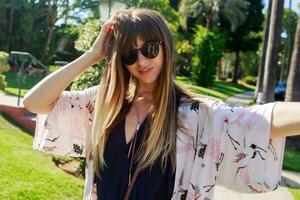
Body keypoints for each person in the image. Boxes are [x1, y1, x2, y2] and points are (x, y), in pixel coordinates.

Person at [24, 8, 300, 200]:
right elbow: (34, 101)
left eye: (150, 49)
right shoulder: (105, 104)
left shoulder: (194, 115)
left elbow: (263, 119)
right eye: (130, 55)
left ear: (166, 47)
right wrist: (94, 54)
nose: (142, 61)